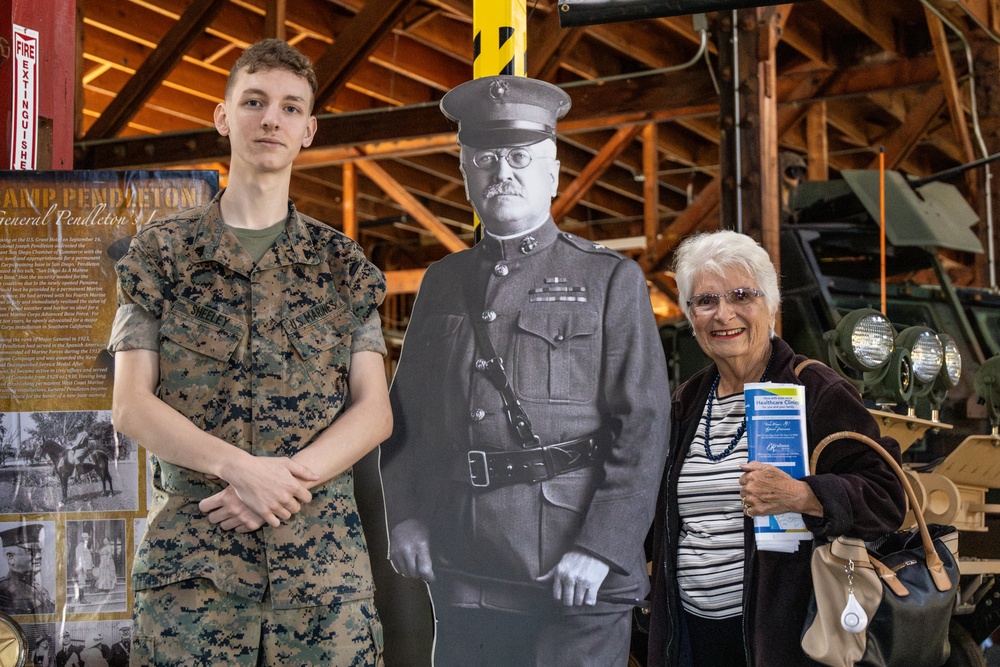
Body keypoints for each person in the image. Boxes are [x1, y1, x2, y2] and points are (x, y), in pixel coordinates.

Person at [108, 38, 392, 666]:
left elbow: (375, 411)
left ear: (308, 130)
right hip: (194, 578)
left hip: (324, 581)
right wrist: (242, 469)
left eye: (291, 108)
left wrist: (282, 482)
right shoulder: (162, 255)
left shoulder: (342, 265)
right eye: (255, 101)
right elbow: (130, 405)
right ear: (222, 115)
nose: (271, 118)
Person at [379, 75, 670, 667]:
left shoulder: (609, 279)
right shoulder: (443, 281)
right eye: (485, 159)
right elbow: (403, 416)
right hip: (466, 561)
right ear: (465, 174)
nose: (502, 173)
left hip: (573, 571)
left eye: (519, 157)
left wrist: (602, 548)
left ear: (553, 171)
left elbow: (642, 425)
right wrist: (405, 515)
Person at [646, 230, 907, 666]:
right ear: (690, 317)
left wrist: (805, 495)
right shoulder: (684, 403)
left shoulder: (815, 390)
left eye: (741, 295)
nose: (723, 314)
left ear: (771, 305)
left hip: (780, 639)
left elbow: (887, 496)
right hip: (690, 634)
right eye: (706, 301)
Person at [0, 523, 55, 615]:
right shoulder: (3, 590)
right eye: (30, 551)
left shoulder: (40, 589)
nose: (38, 556)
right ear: (11, 558)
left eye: (39, 551)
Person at [74, 532, 93, 603]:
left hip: (85, 567)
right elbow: (80, 559)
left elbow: (87, 557)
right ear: (83, 538)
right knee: (81, 582)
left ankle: (81, 599)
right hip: (81, 568)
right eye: (86, 538)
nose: (87, 539)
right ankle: (82, 599)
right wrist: (84, 568)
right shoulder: (79, 547)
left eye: (87, 538)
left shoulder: (85, 546)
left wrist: (91, 564)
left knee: (82, 582)